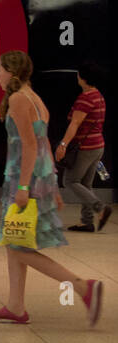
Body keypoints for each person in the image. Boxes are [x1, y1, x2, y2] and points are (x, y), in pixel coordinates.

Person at [0, 50, 102, 326]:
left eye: (0, 71)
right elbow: (43, 142)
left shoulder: (19, 99)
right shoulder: (35, 98)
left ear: (11, 72)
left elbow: (30, 145)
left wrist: (23, 186)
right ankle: (15, 305)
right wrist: (54, 187)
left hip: (25, 178)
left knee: (19, 246)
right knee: (15, 242)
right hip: (38, 177)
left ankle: (82, 287)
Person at [55, 61, 111, 233]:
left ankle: (100, 208)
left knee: (70, 181)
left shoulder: (85, 98)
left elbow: (75, 124)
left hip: (85, 148)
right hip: (98, 146)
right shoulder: (98, 96)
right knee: (86, 184)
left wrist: (63, 145)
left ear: (83, 78)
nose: (77, 76)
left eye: (79, 74)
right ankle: (87, 222)